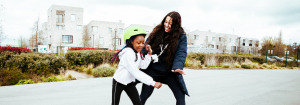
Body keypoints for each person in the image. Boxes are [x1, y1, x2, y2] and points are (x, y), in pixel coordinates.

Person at [139, 11, 189, 105]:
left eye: (170, 24)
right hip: (153, 70)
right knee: (144, 96)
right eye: (166, 22)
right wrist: (137, 58)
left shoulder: (181, 36)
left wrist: (177, 66)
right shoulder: (157, 32)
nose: (167, 25)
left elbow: (181, 53)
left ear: (176, 25)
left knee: (180, 98)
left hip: (170, 71)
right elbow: (145, 47)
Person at [111, 26, 162, 105]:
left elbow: (143, 66)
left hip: (128, 82)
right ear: (131, 41)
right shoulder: (128, 54)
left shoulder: (138, 53)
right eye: (138, 43)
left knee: (138, 103)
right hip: (119, 81)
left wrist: (149, 54)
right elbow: (135, 72)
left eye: (143, 43)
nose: (141, 45)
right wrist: (152, 82)